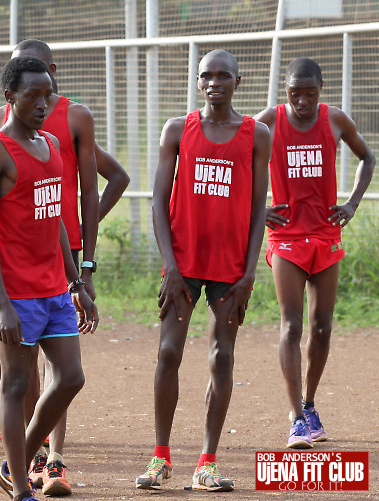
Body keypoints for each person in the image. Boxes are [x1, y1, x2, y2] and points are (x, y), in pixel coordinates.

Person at [0, 38, 130, 496]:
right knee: (17, 383)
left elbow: (57, 221)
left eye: (48, 94)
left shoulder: (50, 144)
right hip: (14, 290)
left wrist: (77, 281)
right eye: (31, 96)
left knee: (71, 378)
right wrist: (1, 302)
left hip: (53, 285)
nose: (43, 104)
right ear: (10, 98)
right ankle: (22, 487)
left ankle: (12, 464)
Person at [135, 50, 270, 491]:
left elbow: (256, 210)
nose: (215, 82)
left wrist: (250, 273)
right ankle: (160, 458)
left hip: (231, 268)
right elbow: (157, 202)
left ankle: (206, 462)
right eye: (206, 76)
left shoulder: (256, 135)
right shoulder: (178, 130)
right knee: (168, 353)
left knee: (222, 357)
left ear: (237, 81)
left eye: (223, 76)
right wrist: (171, 267)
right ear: (197, 83)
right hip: (183, 265)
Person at [254, 57, 375, 449]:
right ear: (284, 92)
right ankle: (296, 420)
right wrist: (258, 209)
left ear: (321, 91)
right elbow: (234, 162)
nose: (302, 101)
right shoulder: (268, 122)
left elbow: (367, 157)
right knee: (292, 325)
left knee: (322, 327)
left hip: (326, 237)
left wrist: (353, 203)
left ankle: (309, 405)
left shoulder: (335, 120)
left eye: (310, 94)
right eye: (294, 94)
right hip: (286, 238)